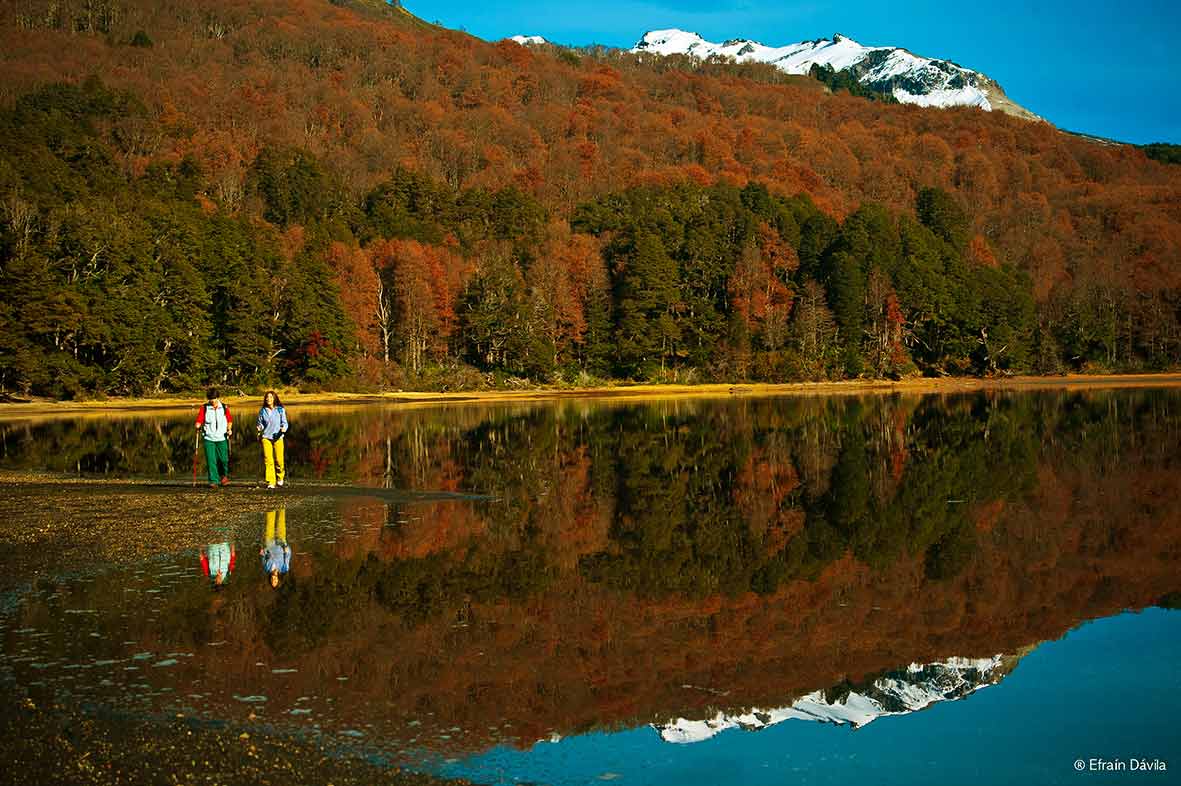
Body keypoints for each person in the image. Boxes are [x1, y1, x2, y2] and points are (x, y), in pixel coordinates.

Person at [195, 387, 233, 487]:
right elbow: (200, 419)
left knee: (223, 459)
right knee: (211, 460)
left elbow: (229, 420)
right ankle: (213, 480)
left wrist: (229, 429)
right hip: (209, 438)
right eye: (210, 399)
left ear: (217, 397)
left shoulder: (224, 407)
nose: (212, 401)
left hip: (222, 437)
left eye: (214, 399)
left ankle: (224, 476)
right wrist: (198, 424)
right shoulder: (204, 408)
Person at [255, 390, 288, 490]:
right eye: (267, 397)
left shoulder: (280, 410)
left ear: (274, 399)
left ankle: (280, 477)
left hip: (278, 437)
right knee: (268, 460)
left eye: (270, 397)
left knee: (279, 460)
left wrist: (284, 429)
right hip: (266, 437)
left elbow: (285, 423)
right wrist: (259, 427)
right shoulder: (262, 411)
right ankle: (271, 481)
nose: (268, 399)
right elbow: (260, 423)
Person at [260, 508, 292, 588]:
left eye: (272, 581)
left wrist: (262, 551)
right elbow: (288, 554)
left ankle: (271, 503)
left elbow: (263, 556)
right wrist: (286, 549)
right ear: (278, 580)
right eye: (275, 581)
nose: (273, 580)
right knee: (281, 520)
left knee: (269, 523)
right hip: (281, 543)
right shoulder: (284, 568)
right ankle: (282, 502)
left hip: (269, 543)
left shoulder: (266, 568)